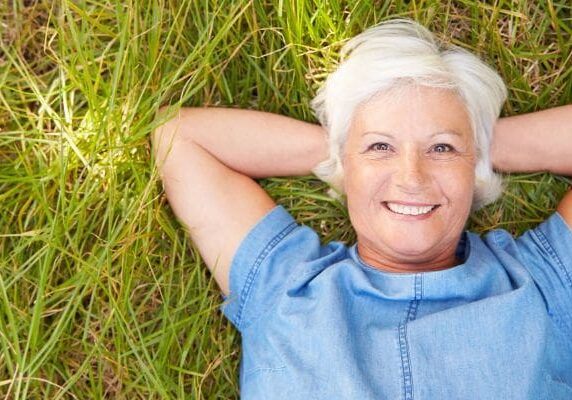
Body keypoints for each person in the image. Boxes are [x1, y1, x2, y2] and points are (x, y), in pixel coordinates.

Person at [152, 19, 572, 399]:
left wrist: (473, 146)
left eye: (440, 148)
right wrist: (346, 151)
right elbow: (180, 137)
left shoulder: (543, 284)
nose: (412, 176)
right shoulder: (282, 285)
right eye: (381, 147)